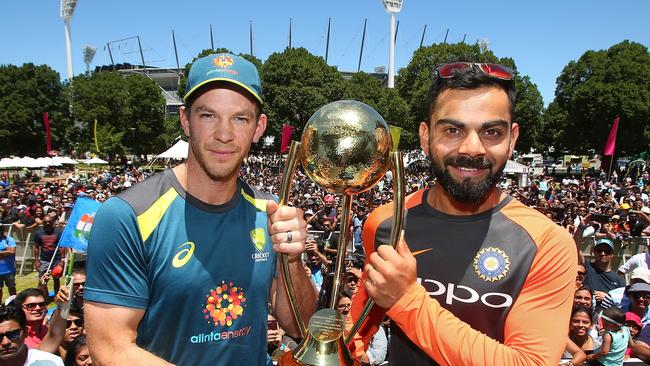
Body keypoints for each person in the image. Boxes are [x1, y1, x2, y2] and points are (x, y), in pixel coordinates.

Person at [84, 53, 315, 365]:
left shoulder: (269, 211)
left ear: (258, 128)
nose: (224, 134)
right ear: (185, 120)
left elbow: (300, 325)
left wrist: (293, 261)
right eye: (208, 116)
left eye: (240, 118)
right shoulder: (127, 216)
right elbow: (110, 348)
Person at [349, 62, 576, 365]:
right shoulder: (386, 221)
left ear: (512, 139)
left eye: (492, 132)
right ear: (425, 136)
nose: (472, 148)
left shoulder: (547, 243)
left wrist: (408, 300)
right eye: (453, 130)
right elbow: (359, 328)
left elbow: (530, 362)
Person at [33, 216, 63, 298]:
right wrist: (36, 261)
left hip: (56, 259)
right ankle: (44, 297)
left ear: (53, 222)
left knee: (56, 279)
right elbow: (36, 247)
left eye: (49, 221)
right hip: (44, 260)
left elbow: (61, 247)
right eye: (46, 222)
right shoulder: (38, 233)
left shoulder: (58, 232)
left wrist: (62, 260)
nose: (48, 223)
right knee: (42, 280)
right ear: (43, 222)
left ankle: (57, 296)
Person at [0, 224, 17, 300]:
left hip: (9, 270)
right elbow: (9, 251)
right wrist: (5, 251)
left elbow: (12, 251)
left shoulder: (9, 239)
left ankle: (14, 304)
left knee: (11, 288)